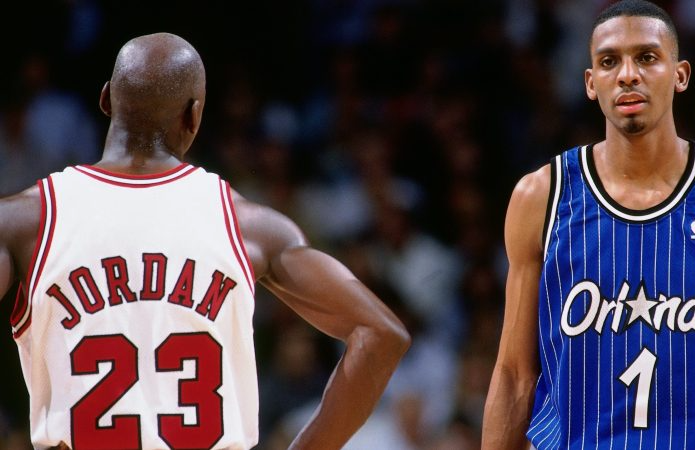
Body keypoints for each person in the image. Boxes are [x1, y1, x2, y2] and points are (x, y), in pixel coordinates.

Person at [0, 33, 410, 450]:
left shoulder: (27, 220)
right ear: (194, 115)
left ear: (106, 99)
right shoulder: (250, 227)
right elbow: (382, 333)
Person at [482, 1, 695, 449]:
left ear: (680, 74)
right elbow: (515, 375)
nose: (627, 75)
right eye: (609, 62)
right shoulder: (540, 197)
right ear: (590, 83)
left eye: (647, 57)